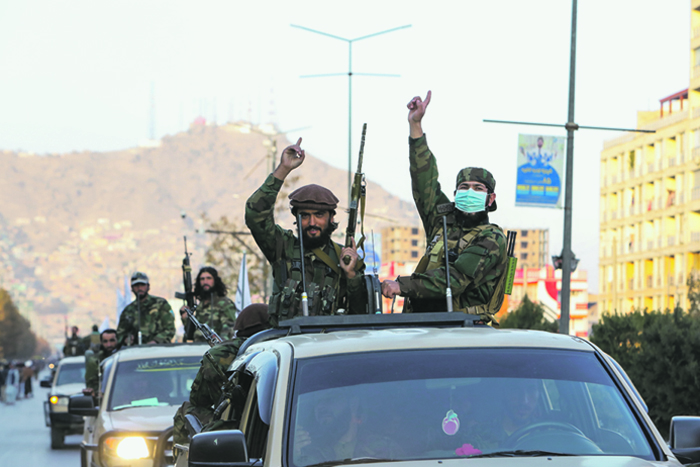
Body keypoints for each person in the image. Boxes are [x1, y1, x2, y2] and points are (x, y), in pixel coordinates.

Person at [381, 91, 507, 322]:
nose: (470, 193)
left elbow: (456, 278)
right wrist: (415, 125)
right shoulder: (443, 223)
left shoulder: (492, 238)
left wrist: (402, 286)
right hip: (421, 325)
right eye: (464, 187)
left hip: (462, 332)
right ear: (455, 194)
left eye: (478, 189)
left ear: (490, 199)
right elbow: (424, 181)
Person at [245, 137, 366, 324]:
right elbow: (255, 214)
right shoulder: (282, 247)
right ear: (296, 218)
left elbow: (361, 315)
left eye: (319, 215)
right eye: (305, 216)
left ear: (331, 218)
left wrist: (351, 275)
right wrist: (283, 169)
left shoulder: (345, 258)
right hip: (285, 344)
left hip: (325, 347)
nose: (312, 222)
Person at [173, 304, 271, 448]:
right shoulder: (282, 347)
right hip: (280, 420)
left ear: (240, 328)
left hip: (236, 423)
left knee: (185, 409)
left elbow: (198, 400)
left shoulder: (219, 355)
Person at [116, 272, 175, 346]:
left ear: (148, 286)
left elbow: (170, 329)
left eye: (142, 285)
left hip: (159, 349)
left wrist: (155, 341)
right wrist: (125, 339)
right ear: (132, 288)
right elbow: (119, 333)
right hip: (136, 351)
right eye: (136, 286)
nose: (139, 288)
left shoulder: (160, 304)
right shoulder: (128, 311)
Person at [180, 267, 237, 342]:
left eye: (208, 278)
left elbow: (229, 328)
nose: (205, 282)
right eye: (202, 279)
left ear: (215, 280)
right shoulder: (200, 305)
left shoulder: (224, 303)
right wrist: (186, 318)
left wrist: (220, 346)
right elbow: (193, 330)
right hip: (197, 346)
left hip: (214, 347)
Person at [83, 328, 119, 397]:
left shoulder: (125, 359)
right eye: (105, 341)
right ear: (101, 342)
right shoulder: (95, 362)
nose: (109, 345)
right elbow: (91, 385)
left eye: (112, 341)